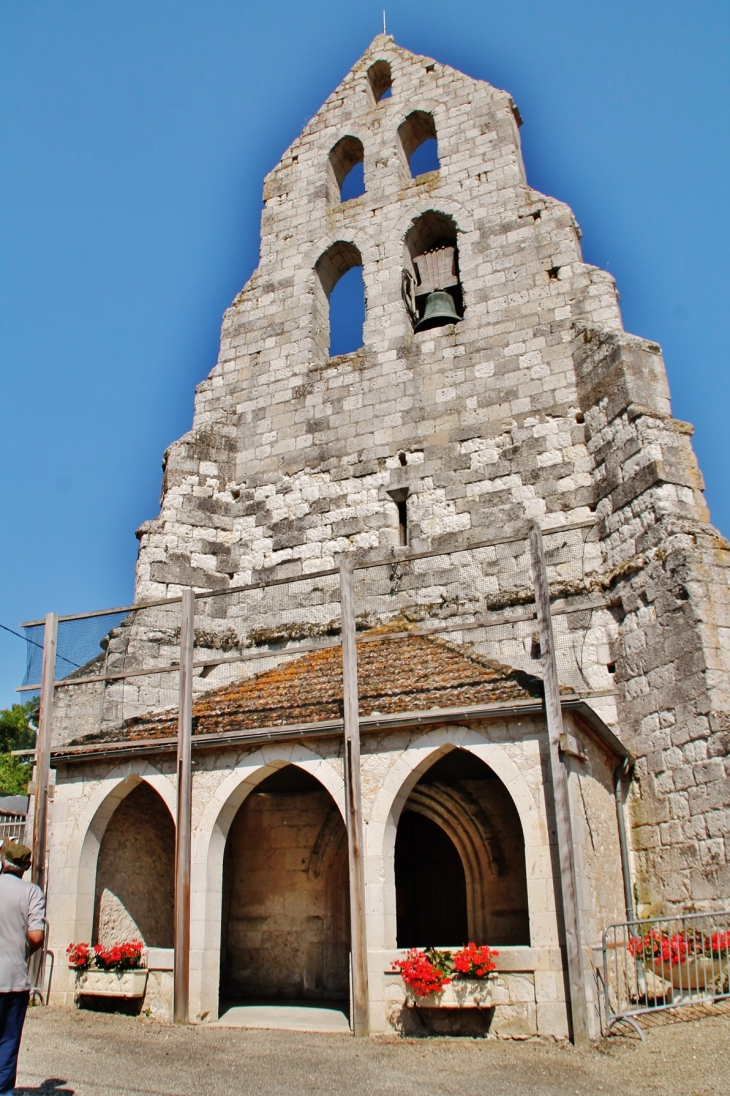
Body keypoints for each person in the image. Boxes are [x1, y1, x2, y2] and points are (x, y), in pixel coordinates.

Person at [0, 842, 45, 1096]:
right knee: (8, 1041)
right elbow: (36, 936)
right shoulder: (32, 893)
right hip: (14, 978)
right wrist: (23, 948)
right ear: (26, 866)